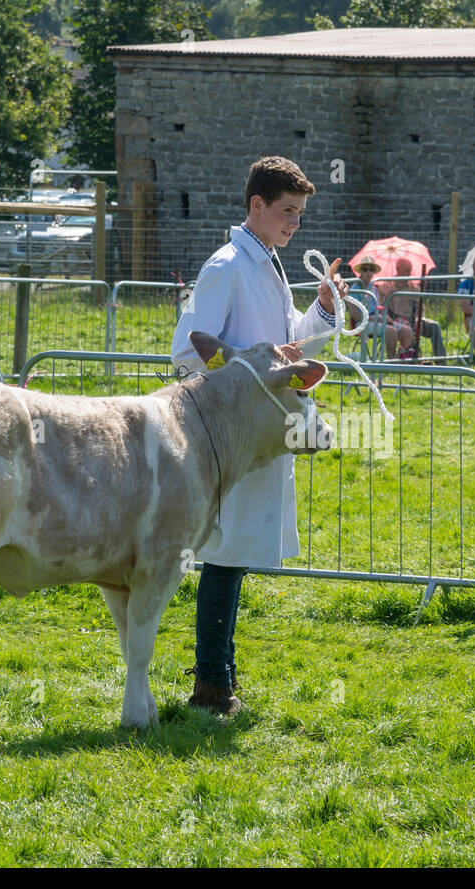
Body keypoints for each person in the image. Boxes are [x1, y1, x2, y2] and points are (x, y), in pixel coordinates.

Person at [170, 156, 346, 716]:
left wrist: (320, 309)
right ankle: (212, 684)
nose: (294, 224)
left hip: (261, 428)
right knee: (225, 553)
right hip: (230, 431)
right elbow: (187, 347)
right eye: (286, 212)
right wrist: (250, 371)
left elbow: (287, 341)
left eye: (299, 214)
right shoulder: (225, 265)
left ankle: (218, 672)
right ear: (256, 206)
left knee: (236, 552)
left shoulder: (265, 261)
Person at [379, 257, 445, 359]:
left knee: (434, 326)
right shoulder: (386, 285)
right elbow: (380, 307)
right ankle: (400, 358)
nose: (410, 272)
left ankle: (441, 360)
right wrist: (388, 294)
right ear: (398, 269)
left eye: (410, 269)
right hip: (394, 321)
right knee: (406, 327)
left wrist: (419, 318)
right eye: (407, 270)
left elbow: (420, 308)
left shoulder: (415, 288)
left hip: (413, 320)